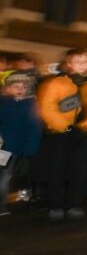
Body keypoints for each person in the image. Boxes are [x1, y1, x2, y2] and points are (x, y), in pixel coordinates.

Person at [36, 49, 87, 221]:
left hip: (84, 135)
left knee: (81, 171)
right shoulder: (55, 83)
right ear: (69, 64)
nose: (82, 64)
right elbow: (46, 108)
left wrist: (86, 127)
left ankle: (75, 204)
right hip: (60, 135)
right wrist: (67, 128)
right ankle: (56, 205)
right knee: (57, 170)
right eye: (78, 61)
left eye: (85, 61)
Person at [0, 73, 42, 216]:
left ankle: (5, 202)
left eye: (23, 87)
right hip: (4, 146)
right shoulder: (2, 102)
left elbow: (34, 126)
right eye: (16, 87)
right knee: (4, 176)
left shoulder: (31, 104)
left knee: (9, 175)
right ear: (7, 88)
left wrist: (31, 147)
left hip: (19, 147)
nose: (20, 89)